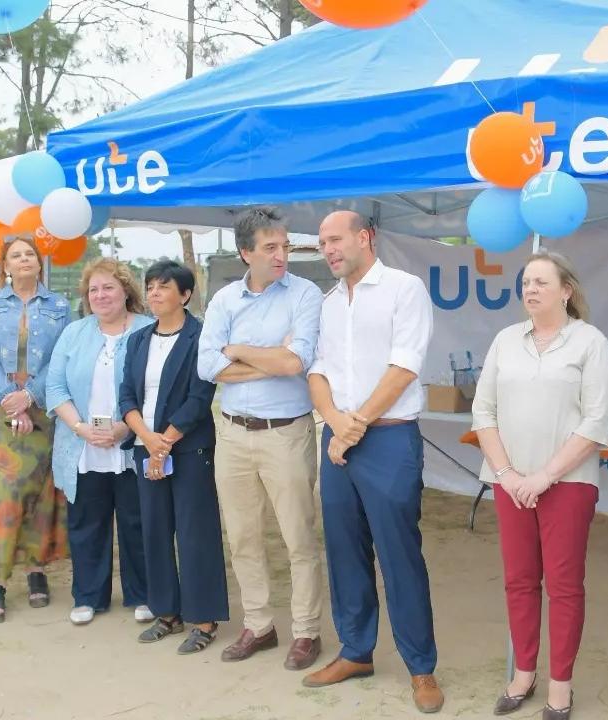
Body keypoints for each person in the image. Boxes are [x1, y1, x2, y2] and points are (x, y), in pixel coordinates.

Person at [303, 211, 444, 714]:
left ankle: (421, 667)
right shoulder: (327, 303)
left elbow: (404, 366)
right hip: (339, 438)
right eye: (322, 243)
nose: (329, 250)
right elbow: (315, 371)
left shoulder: (403, 289)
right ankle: (356, 651)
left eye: (335, 240)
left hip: (388, 441)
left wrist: (354, 424)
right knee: (344, 551)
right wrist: (335, 425)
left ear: (365, 237)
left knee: (399, 554)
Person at [471, 252, 608, 720]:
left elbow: (597, 421)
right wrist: (509, 475)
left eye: (541, 282)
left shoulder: (589, 342)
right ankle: (523, 675)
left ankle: (560, 685)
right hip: (509, 482)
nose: (530, 290)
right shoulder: (505, 340)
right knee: (518, 581)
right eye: (525, 282)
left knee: (564, 586)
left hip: (567, 483)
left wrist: (543, 476)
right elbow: (483, 411)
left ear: (566, 291)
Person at [197, 208, 325, 670]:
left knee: (299, 538)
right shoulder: (225, 300)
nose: (281, 255)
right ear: (245, 252)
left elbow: (297, 363)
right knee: (243, 537)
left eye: (285, 246)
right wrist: (268, 357)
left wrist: (237, 350)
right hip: (232, 433)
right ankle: (259, 625)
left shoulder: (306, 294)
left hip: (286, 434)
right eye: (270, 247)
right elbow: (205, 366)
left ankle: (307, 630)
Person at [119, 260, 228, 654]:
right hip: (145, 449)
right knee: (155, 530)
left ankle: (204, 618)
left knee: (196, 534)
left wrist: (164, 441)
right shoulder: (138, 339)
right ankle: (167, 612)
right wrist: (148, 440)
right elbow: (127, 397)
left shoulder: (200, 337)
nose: (153, 293)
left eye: (163, 287)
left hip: (188, 449)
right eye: (150, 287)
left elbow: (200, 398)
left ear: (185, 295)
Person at [46, 258, 155, 626]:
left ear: (126, 290)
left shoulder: (148, 329)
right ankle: (88, 596)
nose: (100, 295)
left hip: (131, 444)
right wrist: (80, 428)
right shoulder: (74, 333)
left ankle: (142, 594)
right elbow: (55, 387)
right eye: (93, 289)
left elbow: (154, 387)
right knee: (86, 522)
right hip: (83, 446)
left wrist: (126, 428)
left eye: (108, 287)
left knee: (136, 521)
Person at [0, 236, 72, 622]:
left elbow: (65, 354)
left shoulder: (60, 307)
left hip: (44, 403)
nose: (25, 259)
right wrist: (10, 397)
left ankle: (35, 569)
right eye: (17, 255)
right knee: (2, 490)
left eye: (30, 254)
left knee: (41, 489)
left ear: (39, 264)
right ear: (5, 266)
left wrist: (29, 396)